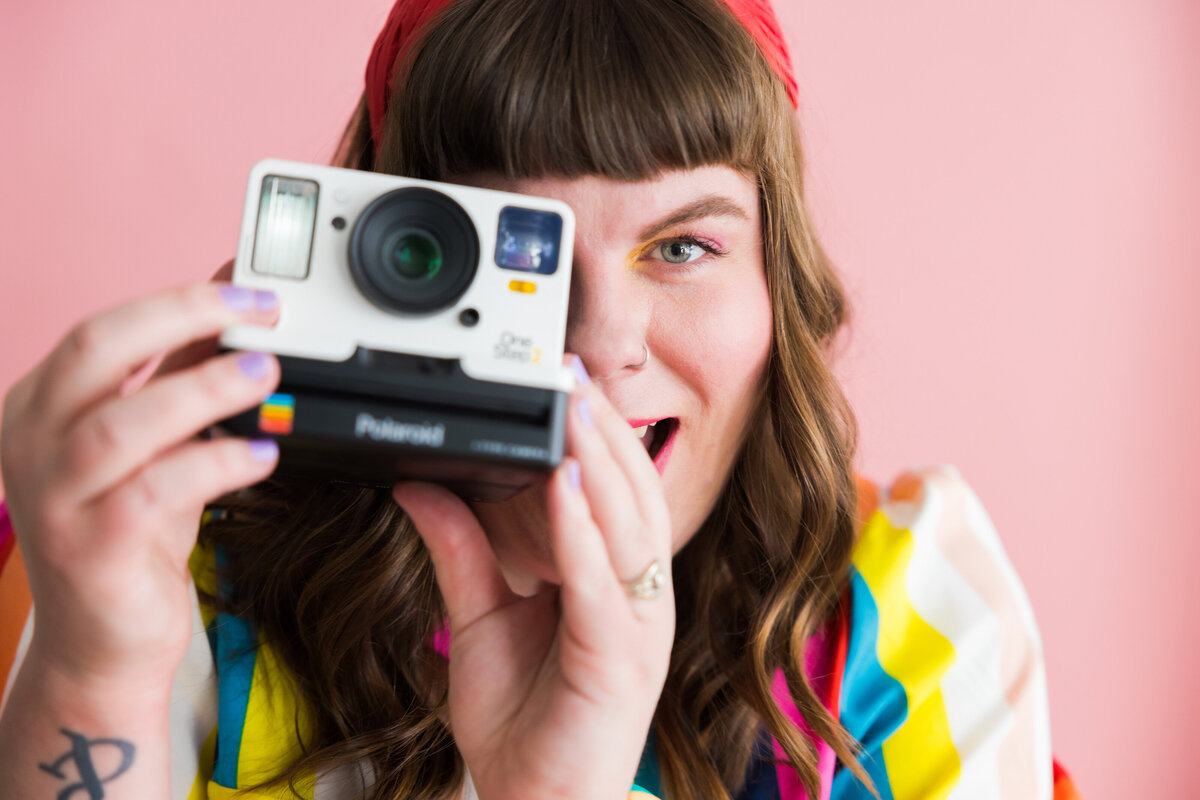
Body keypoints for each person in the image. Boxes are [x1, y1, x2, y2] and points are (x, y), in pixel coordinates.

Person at [0, 0, 1083, 798]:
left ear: (780, 288)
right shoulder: (168, 568)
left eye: (683, 245)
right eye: (519, 253)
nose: (595, 347)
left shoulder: (907, 615)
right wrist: (96, 670)